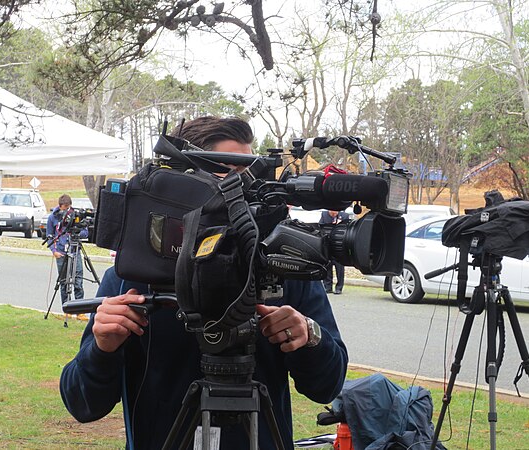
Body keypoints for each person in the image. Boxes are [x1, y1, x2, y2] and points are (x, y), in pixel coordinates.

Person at [59, 117, 348, 450]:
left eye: (250, 176)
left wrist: (309, 337)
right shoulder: (134, 279)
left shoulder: (280, 268)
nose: (243, 191)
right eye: (228, 173)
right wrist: (102, 348)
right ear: (183, 183)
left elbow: (327, 386)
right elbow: (82, 404)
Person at [46, 194, 88, 304]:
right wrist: (54, 251)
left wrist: (77, 232)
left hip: (75, 251)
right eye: (64, 207)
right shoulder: (53, 217)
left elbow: (85, 232)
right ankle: (66, 307)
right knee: (63, 282)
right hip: (61, 253)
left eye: (68, 207)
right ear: (60, 206)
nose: (66, 210)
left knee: (78, 281)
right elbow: (49, 235)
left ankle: (79, 309)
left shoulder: (76, 215)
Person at [319, 209, 349, 294]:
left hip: (339, 246)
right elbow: (321, 226)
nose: (333, 214)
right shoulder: (324, 215)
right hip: (328, 246)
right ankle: (328, 286)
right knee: (328, 266)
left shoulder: (344, 216)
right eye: (331, 212)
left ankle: (339, 287)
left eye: (335, 212)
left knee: (339, 268)